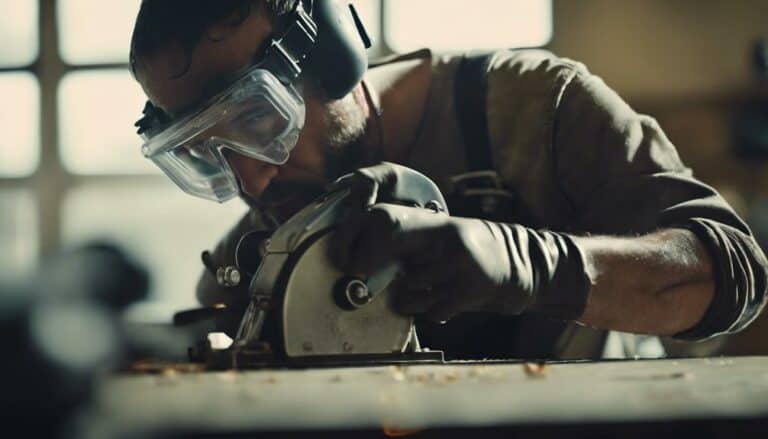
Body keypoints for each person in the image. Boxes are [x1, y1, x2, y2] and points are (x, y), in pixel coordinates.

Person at [129, 0, 768, 359]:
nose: (253, 184)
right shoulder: (260, 246)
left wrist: (528, 265)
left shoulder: (536, 111)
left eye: (258, 120)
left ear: (332, 55)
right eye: (208, 153)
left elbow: (735, 276)